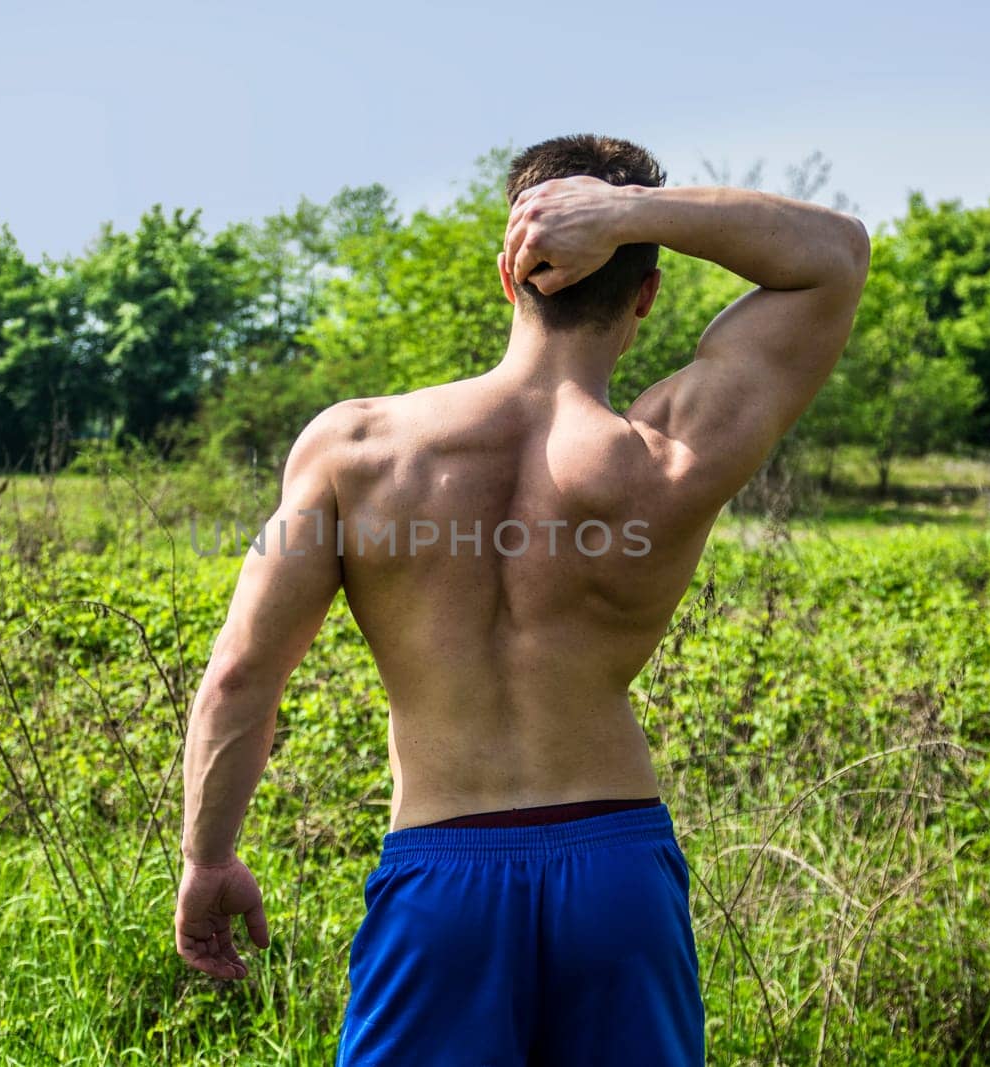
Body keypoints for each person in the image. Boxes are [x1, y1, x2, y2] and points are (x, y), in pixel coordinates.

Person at [175, 133, 869, 1064]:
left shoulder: (356, 451)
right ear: (646, 296)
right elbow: (836, 259)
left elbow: (239, 676)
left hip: (441, 878)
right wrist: (632, 217)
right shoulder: (669, 451)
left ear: (511, 276)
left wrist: (207, 858)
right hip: (617, 874)